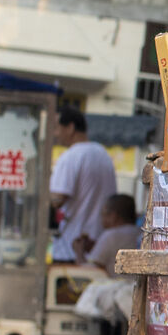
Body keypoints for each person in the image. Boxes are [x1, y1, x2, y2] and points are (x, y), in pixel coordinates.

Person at [49, 106, 119, 262]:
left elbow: (58, 199)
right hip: (97, 248)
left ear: (70, 128)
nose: (55, 134)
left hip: (70, 250)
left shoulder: (70, 156)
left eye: (56, 128)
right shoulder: (103, 154)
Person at [77, 191, 138, 274]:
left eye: (103, 214)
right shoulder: (139, 233)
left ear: (113, 216)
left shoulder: (111, 235)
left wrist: (79, 250)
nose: (102, 219)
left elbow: (88, 272)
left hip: (116, 286)